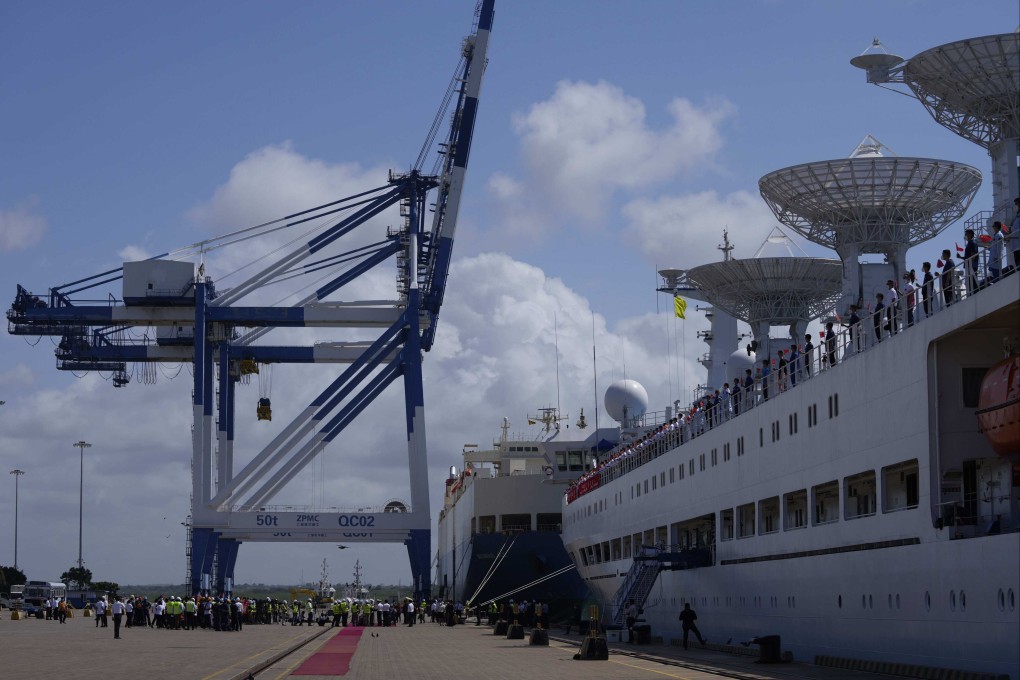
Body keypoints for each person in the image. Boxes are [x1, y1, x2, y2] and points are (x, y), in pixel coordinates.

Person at [963, 229, 978, 294]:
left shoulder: (972, 243)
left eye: (966, 234)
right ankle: (972, 293)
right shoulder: (969, 243)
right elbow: (967, 256)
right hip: (968, 266)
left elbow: (973, 255)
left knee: (973, 282)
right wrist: (960, 257)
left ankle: (975, 293)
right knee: (969, 282)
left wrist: (971, 265)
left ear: (970, 234)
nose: (965, 235)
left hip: (971, 266)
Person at [1009, 197, 1020, 271]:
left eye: (1016, 204)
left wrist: (1011, 236)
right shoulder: (1017, 216)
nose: (1015, 206)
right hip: (1016, 246)